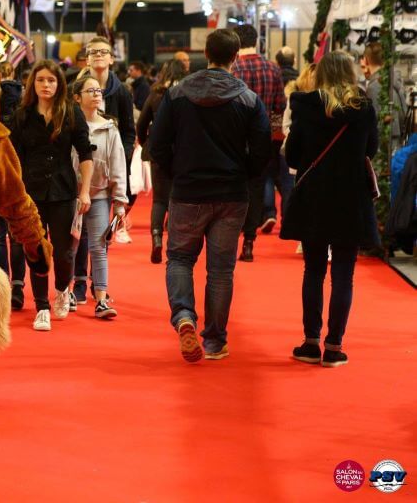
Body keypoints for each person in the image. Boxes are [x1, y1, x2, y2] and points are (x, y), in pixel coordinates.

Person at [148, 28, 270, 363]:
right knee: (220, 271)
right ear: (236, 57)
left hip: (188, 191)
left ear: (206, 52)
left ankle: (184, 316)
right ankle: (215, 341)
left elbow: (156, 145)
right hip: (231, 194)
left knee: (181, 259)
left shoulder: (177, 95)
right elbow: (262, 152)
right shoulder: (248, 99)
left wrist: (179, 172)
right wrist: (242, 173)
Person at [280, 51, 379, 368]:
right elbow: (371, 150)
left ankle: (310, 343)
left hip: (314, 197)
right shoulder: (363, 109)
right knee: (344, 276)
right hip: (351, 198)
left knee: (313, 270)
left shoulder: (305, 105)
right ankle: (334, 347)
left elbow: (292, 156)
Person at [10, 60, 93, 332]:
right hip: (29, 193)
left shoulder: (71, 113)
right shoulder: (21, 115)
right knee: (35, 250)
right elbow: (13, 157)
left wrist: (84, 191)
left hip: (63, 192)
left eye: (51, 80)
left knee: (63, 252)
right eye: (41, 80)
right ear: (33, 84)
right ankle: (42, 307)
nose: (46, 85)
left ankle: (61, 290)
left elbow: (85, 154)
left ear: (59, 84)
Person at [70, 75, 127, 318]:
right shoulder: (69, 125)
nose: (96, 94)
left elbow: (118, 164)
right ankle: (67, 292)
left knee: (99, 246)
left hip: (101, 194)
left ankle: (101, 299)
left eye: (98, 90)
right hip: (70, 195)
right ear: (77, 97)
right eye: (90, 90)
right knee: (68, 246)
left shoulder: (110, 128)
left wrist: (120, 201)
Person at [232, 24, 287, 260]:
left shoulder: (233, 68)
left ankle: (229, 240)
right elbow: (280, 106)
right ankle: (249, 243)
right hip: (261, 138)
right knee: (256, 189)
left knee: (234, 191)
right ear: (257, 41)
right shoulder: (273, 68)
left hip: (234, 139)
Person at [83, 36, 135, 242]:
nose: (98, 56)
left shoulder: (121, 91)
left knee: (120, 202)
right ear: (86, 59)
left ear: (112, 59)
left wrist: (124, 156)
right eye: (93, 52)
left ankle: (112, 230)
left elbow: (129, 130)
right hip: (82, 161)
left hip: (111, 163)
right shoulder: (75, 88)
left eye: (103, 52)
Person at [137, 59, 188, 263]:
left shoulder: (156, 93)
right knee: (179, 198)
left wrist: (145, 143)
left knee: (159, 200)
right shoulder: (186, 94)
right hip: (182, 152)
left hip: (158, 151)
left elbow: (141, 123)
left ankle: (157, 236)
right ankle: (175, 243)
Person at [0, 61, 28, 309]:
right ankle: (18, 286)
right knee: (17, 235)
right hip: (20, 174)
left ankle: (3, 284)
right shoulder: (25, 102)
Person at [361, 42, 408, 151]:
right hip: (396, 142)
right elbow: (403, 113)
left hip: (383, 147)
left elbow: (373, 123)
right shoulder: (393, 81)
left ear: (367, 60)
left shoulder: (375, 86)